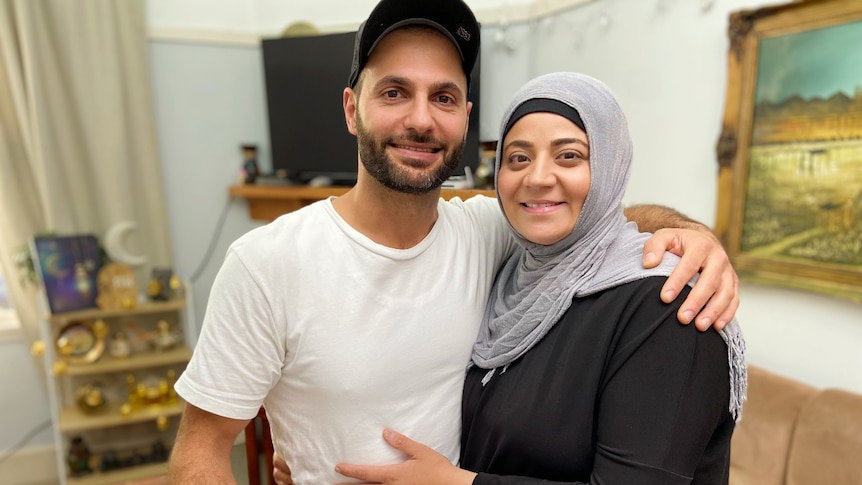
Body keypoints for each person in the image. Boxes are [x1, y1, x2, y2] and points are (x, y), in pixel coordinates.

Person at [169, 1, 739, 483]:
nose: (421, 119)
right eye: (394, 92)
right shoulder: (267, 263)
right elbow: (201, 446)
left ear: (465, 119)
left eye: (443, 98)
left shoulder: (488, 232)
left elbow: (588, 222)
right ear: (351, 109)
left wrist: (691, 237)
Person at [331, 72, 746, 484]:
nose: (537, 178)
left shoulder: (668, 305)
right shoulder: (513, 272)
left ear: (609, 165)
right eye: (518, 158)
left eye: (569, 156)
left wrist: (456, 484)